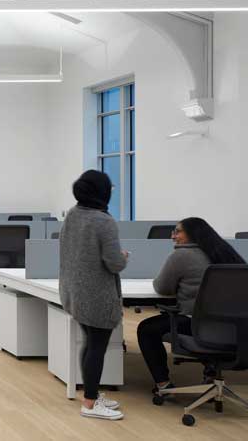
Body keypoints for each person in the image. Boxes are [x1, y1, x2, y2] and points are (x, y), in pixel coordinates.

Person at [137, 217, 245, 396]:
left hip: (197, 325)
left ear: (192, 234)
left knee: (146, 329)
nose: (172, 236)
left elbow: (162, 287)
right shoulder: (226, 253)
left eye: (177, 231)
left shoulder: (182, 255)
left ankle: (163, 384)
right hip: (233, 330)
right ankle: (210, 372)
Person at [59, 170, 128, 421]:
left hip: (75, 291)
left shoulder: (72, 215)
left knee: (90, 343)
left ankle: (91, 393)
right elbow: (115, 264)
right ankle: (89, 403)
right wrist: (124, 257)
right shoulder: (103, 220)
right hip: (97, 294)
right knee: (97, 347)